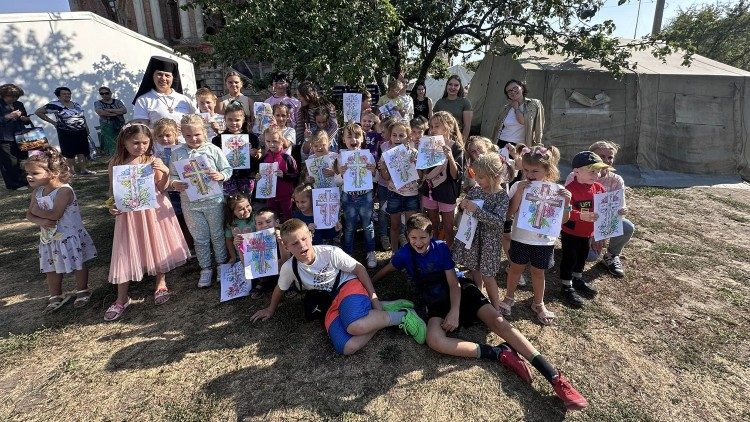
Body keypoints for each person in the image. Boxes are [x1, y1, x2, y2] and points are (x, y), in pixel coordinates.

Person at [372, 215, 589, 411]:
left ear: (431, 234)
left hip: (461, 291)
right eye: (413, 238)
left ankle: (554, 377)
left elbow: (453, 284)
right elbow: (389, 267)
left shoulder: (440, 248)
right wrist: (370, 284)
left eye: (422, 237)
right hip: (435, 301)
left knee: (500, 323)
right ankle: (498, 353)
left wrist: (455, 312)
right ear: (407, 238)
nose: (418, 243)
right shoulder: (404, 254)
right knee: (434, 340)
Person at [250, 218, 427, 355]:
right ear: (285, 245)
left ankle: (403, 316)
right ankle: (379, 315)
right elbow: (280, 288)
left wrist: (373, 298)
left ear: (310, 235)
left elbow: (359, 269)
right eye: (295, 243)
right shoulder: (290, 267)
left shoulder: (330, 252)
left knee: (354, 327)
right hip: (327, 304)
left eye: (304, 239)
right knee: (347, 347)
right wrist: (270, 310)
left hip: (348, 287)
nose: (302, 245)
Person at [104, 123, 190, 321]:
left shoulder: (152, 160)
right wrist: (112, 206)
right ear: (124, 142)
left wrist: (166, 172)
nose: (140, 147)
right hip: (128, 215)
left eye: (145, 143)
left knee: (156, 244)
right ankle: (121, 298)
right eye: (135, 143)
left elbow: (162, 188)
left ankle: (160, 283)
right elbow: (113, 191)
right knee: (125, 250)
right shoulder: (116, 163)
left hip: (154, 211)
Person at [504, 145, 572, 325]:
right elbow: (509, 213)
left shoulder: (558, 190)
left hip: (544, 242)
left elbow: (563, 221)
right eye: (526, 170)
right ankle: (509, 297)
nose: (530, 175)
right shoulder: (519, 186)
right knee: (515, 269)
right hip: (520, 238)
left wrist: (567, 202)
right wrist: (519, 192)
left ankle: (538, 303)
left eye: (535, 171)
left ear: (547, 170)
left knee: (538, 272)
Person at [24, 147, 96, 313]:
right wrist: (40, 219)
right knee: (51, 267)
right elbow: (29, 214)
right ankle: (55, 294)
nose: (29, 176)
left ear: (53, 173)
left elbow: (56, 214)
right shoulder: (38, 191)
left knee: (78, 263)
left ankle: (82, 289)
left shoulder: (64, 191)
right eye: (28, 173)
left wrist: (37, 212)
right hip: (49, 238)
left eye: (35, 173)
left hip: (69, 236)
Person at [170, 114, 232, 288]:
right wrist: (175, 183)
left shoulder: (213, 150)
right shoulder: (177, 153)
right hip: (190, 204)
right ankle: (205, 267)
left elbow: (227, 168)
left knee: (218, 234)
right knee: (200, 237)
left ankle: (221, 264)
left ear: (204, 132)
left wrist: (221, 175)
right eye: (188, 135)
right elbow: (172, 175)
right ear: (182, 134)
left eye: (197, 134)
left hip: (214, 200)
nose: (193, 139)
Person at [451, 153, 509, 309]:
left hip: (489, 242)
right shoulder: (476, 191)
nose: (477, 180)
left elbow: (498, 221)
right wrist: (462, 206)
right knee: (475, 267)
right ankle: (479, 295)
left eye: (481, 177)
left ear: (495, 176)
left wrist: (477, 211)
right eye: (476, 176)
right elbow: (465, 206)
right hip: (473, 238)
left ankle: (496, 307)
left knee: (488, 275)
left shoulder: (502, 196)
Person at [560, 151, 612, 308]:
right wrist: (581, 216)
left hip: (587, 233)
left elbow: (605, 207)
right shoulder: (570, 189)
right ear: (576, 172)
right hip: (571, 232)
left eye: (597, 171)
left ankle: (577, 277)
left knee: (582, 256)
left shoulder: (599, 188)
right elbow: (565, 210)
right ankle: (566, 285)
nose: (595, 174)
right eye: (591, 171)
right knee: (570, 257)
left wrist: (617, 210)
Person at [419, 111, 464, 247]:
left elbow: (456, 175)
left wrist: (450, 157)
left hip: (447, 192)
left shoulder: (456, 147)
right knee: (432, 224)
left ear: (448, 126)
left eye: (436, 126)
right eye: (431, 126)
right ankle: (434, 251)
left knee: (448, 228)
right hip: (430, 190)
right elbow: (423, 173)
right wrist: (418, 161)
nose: (432, 130)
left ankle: (447, 255)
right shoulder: (427, 144)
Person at [338, 123, 378, 268]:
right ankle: (347, 254)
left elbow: (376, 178)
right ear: (344, 139)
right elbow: (338, 180)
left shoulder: (368, 156)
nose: (353, 139)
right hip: (348, 197)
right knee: (349, 226)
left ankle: (370, 251)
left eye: (357, 136)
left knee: (367, 225)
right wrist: (340, 172)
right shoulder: (341, 157)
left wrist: (373, 170)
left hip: (365, 196)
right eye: (349, 137)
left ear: (362, 139)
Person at [152, 118, 193, 251]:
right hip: (169, 191)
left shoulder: (184, 149)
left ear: (176, 133)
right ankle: (180, 245)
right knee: (176, 216)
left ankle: (191, 244)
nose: (164, 139)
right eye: (160, 136)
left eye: (168, 135)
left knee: (189, 217)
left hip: (186, 189)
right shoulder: (156, 154)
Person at [379, 120, 419, 252]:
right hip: (394, 194)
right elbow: (386, 178)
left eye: (401, 135)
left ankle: (411, 254)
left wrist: (415, 165)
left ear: (408, 137)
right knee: (394, 226)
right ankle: (395, 255)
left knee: (411, 227)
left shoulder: (414, 153)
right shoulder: (387, 154)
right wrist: (383, 168)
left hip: (411, 195)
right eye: (394, 135)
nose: (397, 138)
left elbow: (420, 175)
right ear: (390, 136)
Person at [35, 87, 94, 175]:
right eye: (64, 94)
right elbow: (38, 112)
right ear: (59, 96)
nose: (67, 95)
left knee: (82, 151)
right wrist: (53, 122)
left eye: (68, 93)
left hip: (81, 131)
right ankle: (71, 172)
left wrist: (86, 127)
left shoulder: (76, 105)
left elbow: (82, 116)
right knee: (69, 152)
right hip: (66, 132)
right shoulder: (54, 105)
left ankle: (83, 169)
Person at [211, 102, 262, 196]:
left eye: (237, 120)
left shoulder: (252, 138)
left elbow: (259, 155)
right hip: (227, 177)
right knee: (229, 203)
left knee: (245, 202)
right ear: (225, 119)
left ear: (243, 120)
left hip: (247, 176)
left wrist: (255, 154)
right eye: (230, 119)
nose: (233, 123)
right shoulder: (217, 140)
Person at [132, 56, 196, 128]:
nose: (163, 78)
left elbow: (196, 123)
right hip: (157, 139)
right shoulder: (143, 100)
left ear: (173, 78)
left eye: (167, 75)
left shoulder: (185, 100)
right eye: (159, 74)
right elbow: (142, 130)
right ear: (153, 76)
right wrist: (165, 131)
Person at [258, 127, 298, 222]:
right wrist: (258, 177)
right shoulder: (264, 158)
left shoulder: (287, 158)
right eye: (268, 141)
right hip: (270, 197)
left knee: (288, 219)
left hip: (286, 197)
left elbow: (296, 176)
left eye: (275, 141)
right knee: (271, 220)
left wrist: (284, 175)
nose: (271, 144)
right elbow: (260, 176)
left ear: (281, 141)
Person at [492, 79, 544, 148]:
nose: (513, 91)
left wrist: (516, 108)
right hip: (501, 142)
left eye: (515, 88)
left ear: (522, 88)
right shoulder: (506, 108)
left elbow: (524, 122)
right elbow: (496, 128)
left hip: (520, 146)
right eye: (509, 91)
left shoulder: (534, 104)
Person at [0, 83, 31, 191]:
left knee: (23, 159)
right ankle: (14, 184)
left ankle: (25, 181)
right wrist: (9, 116)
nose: (14, 99)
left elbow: (26, 118)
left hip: (20, 135)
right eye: (12, 96)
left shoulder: (19, 104)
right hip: (4, 137)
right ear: (4, 94)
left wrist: (25, 119)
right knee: (10, 161)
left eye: (16, 96)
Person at [433, 75, 472, 142]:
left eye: (456, 85)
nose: (452, 87)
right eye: (450, 84)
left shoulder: (465, 102)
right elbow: (433, 123)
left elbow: (467, 126)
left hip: (457, 139)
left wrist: (462, 142)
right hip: (440, 139)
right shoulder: (439, 102)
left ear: (460, 87)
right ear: (446, 86)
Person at [93, 86, 126, 156]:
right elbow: (101, 112)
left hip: (120, 124)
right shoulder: (97, 103)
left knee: (122, 141)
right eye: (102, 93)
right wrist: (117, 112)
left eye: (106, 93)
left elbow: (124, 110)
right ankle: (114, 160)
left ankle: (123, 158)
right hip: (107, 126)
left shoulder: (117, 101)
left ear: (110, 93)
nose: (104, 95)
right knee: (111, 144)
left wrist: (109, 110)